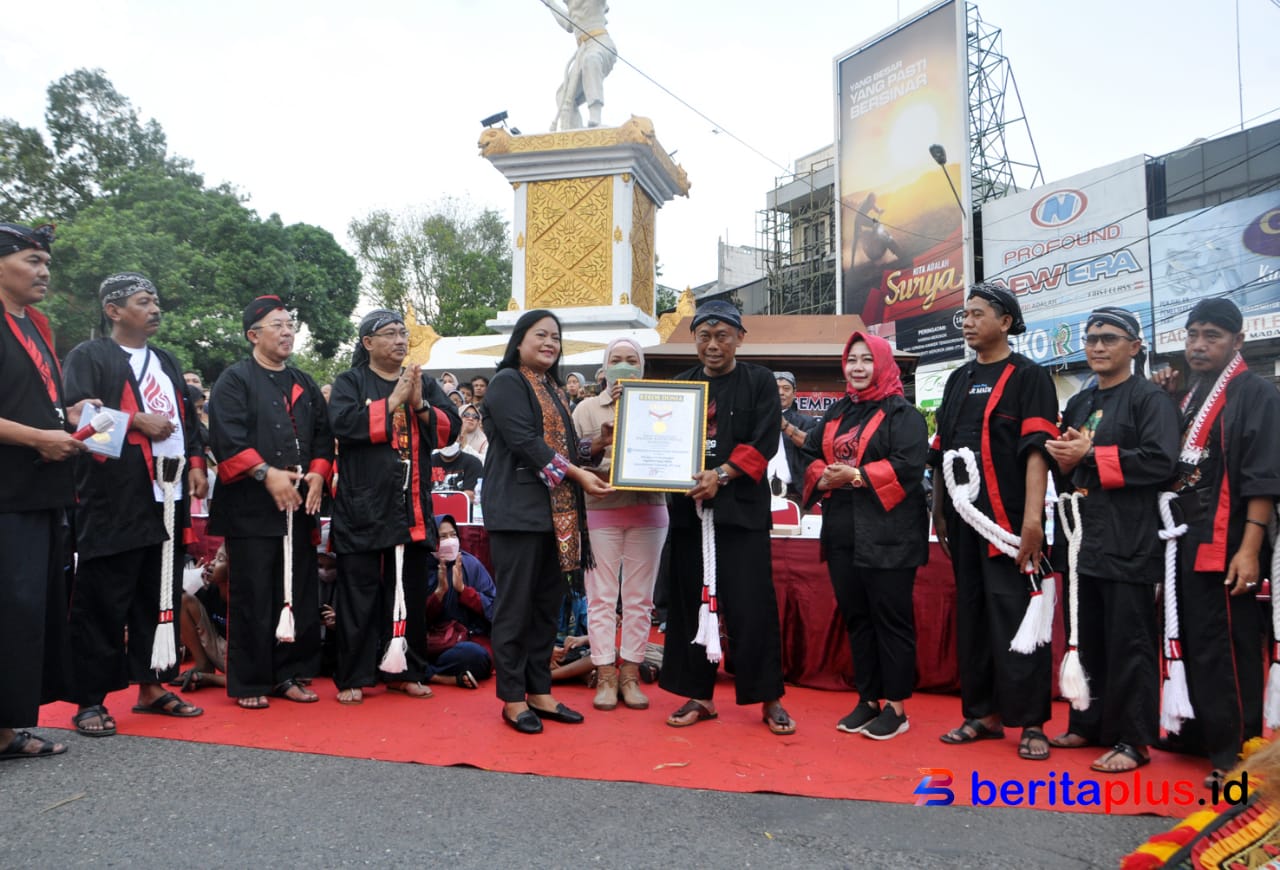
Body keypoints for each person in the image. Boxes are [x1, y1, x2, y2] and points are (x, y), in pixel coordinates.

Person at [62, 272, 209, 734]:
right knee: (104, 598)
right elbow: (74, 416)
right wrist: (134, 422)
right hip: (116, 498)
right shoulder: (90, 355)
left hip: (170, 495)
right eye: (144, 301)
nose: (155, 308)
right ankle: (90, 699)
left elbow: (188, 419)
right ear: (113, 310)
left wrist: (199, 464)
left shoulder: (165, 359)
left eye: (156, 300)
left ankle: (152, 686)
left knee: (157, 594)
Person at [1042, 307, 1179, 772]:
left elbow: (1161, 463)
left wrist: (1090, 455)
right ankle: (1088, 722)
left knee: (1129, 642)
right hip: (1083, 537)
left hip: (1130, 537)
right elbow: (1073, 464)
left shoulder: (1149, 399)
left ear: (1134, 347)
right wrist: (1066, 460)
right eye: (1091, 338)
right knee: (1088, 636)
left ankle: (1133, 740)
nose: (1097, 346)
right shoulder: (1080, 402)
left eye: (1109, 338)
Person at [1152, 297, 1280, 788]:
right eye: (1193, 336)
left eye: (1212, 336)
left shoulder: (1256, 393)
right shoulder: (1190, 393)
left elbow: (1264, 477)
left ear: (1237, 341)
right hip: (1185, 534)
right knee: (1193, 638)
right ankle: (1198, 733)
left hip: (1229, 538)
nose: (1199, 346)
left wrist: (1250, 549)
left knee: (1230, 644)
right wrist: (1166, 397)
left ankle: (1236, 752)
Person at [930, 282, 1058, 761]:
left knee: (1017, 617)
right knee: (974, 617)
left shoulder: (1030, 378)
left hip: (1010, 527)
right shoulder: (957, 380)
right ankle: (982, 714)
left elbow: (1037, 452)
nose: (966, 321)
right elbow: (942, 453)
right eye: (963, 314)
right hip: (965, 525)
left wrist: (1032, 521)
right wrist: (939, 509)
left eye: (977, 313)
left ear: (1005, 322)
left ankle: (1031, 723)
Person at [660, 299, 793, 735]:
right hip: (689, 512)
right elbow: (660, 441)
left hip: (741, 514)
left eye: (722, 336)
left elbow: (765, 440)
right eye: (704, 336)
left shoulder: (759, 382)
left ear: (739, 337)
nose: (713, 345)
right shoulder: (680, 386)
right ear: (694, 340)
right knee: (690, 606)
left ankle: (769, 696)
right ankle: (698, 695)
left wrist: (722, 473)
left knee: (752, 606)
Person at [481, 308, 613, 734]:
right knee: (515, 607)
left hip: (558, 517)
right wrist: (578, 474)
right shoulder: (507, 382)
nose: (550, 344)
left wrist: (597, 447)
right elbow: (525, 442)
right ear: (519, 340)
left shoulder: (552, 387)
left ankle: (540, 690)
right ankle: (513, 697)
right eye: (541, 335)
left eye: (556, 337)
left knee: (544, 609)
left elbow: (568, 449)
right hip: (518, 513)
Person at [327, 309, 460, 705]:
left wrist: (417, 404)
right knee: (359, 593)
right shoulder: (350, 382)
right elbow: (344, 425)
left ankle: (408, 672)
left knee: (408, 594)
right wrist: (393, 402)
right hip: (362, 504)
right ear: (368, 343)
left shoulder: (424, 382)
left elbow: (449, 429)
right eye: (390, 334)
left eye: (403, 333)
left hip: (409, 505)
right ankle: (354, 674)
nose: (401, 340)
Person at [207, 296, 334, 710]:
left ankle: (287, 674)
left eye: (290, 325)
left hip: (298, 507)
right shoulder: (235, 380)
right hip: (250, 509)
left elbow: (321, 435)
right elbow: (226, 438)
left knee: (295, 589)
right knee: (253, 593)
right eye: (277, 325)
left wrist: (317, 473)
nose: (287, 332)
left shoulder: (304, 380)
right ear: (253, 335)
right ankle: (249, 681)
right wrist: (266, 473)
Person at [800, 331, 928, 740]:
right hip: (842, 532)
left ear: (882, 364)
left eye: (866, 360)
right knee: (857, 619)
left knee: (891, 620)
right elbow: (810, 455)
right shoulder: (837, 412)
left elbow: (910, 465)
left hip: (890, 534)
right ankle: (868, 698)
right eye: (852, 360)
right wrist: (824, 477)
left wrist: (855, 476)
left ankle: (897, 707)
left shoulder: (902, 414)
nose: (857, 368)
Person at [0, 222, 91, 761]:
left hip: (40, 490)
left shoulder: (35, 325)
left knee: (27, 611)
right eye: (32, 260)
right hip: (6, 491)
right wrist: (37, 436)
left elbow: (30, 395)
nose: (44, 272)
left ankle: (8, 729)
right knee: (9, 605)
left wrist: (71, 415)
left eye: (46, 263)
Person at [572, 337, 668, 710]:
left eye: (632, 359)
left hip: (649, 509)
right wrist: (600, 442)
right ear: (605, 366)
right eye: (617, 359)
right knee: (600, 598)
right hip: (601, 509)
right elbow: (572, 457)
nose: (624, 365)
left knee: (640, 600)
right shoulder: (586, 407)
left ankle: (631, 672)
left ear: (642, 367)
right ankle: (604, 673)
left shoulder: (662, 402)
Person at [424, 514, 495, 689]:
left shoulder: (471, 565)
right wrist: (439, 594)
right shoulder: (421, 567)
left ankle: (427, 674)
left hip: (460, 644)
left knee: (477, 657)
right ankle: (438, 676)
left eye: (453, 535)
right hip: (428, 643)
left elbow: (494, 608)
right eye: (442, 536)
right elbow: (414, 619)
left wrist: (463, 591)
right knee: (390, 650)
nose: (450, 541)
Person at [542, 0, 616, 130]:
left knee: (591, 60)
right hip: (583, 49)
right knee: (562, 96)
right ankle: (575, 132)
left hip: (600, 43)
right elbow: (568, 24)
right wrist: (550, 4)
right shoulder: (571, 4)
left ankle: (595, 119)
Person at [175, 544, 230, 693]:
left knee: (257, 679)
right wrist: (191, 580)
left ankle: (207, 678)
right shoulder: (210, 590)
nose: (211, 563)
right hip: (220, 652)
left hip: (243, 659)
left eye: (220, 559)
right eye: (214, 557)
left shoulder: (245, 599)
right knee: (184, 600)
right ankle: (203, 665)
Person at [774, 370, 819, 504]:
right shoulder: (756, 420)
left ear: (794, 393)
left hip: (795, 493)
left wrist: (785, 426)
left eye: (786, 388)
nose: (781, 392)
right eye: (775, 388)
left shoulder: (807, 422)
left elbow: (811, 445)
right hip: (760, 492)